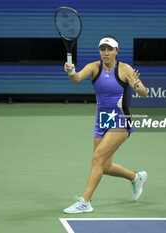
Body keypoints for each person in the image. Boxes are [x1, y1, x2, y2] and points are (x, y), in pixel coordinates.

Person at [63, 35, 148, 214]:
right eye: (103, 49)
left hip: (120, 120)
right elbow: (76, 79)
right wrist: (71, 72)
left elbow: (144, 93)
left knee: (97, 157)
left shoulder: (125, 69)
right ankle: (136, 177)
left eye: (110, 49)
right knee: (105, 166)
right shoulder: (94, 67)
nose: (106, 53)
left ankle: (85, 201)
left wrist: (135, 86)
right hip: (102, 120)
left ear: (116, 51)